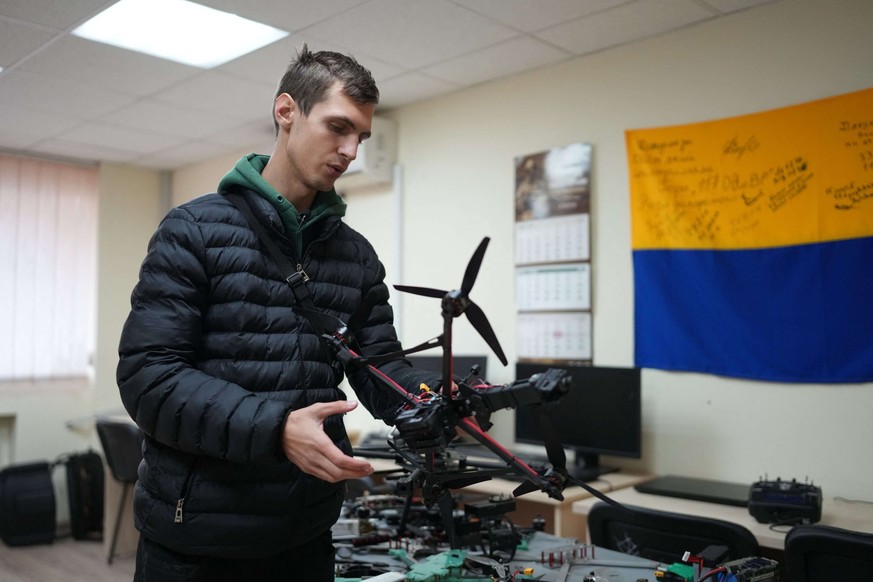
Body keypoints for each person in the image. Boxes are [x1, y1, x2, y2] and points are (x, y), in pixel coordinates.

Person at [116, 45, 440, 581]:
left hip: (305, 536)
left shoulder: (355, 256)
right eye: (338, 127)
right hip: (197, 543)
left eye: (361, 136)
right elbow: (149, 379)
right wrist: (275, 429)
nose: (350, 150)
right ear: (286, 111)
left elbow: (378, 367)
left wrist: (434, 400)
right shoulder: (192, 231)